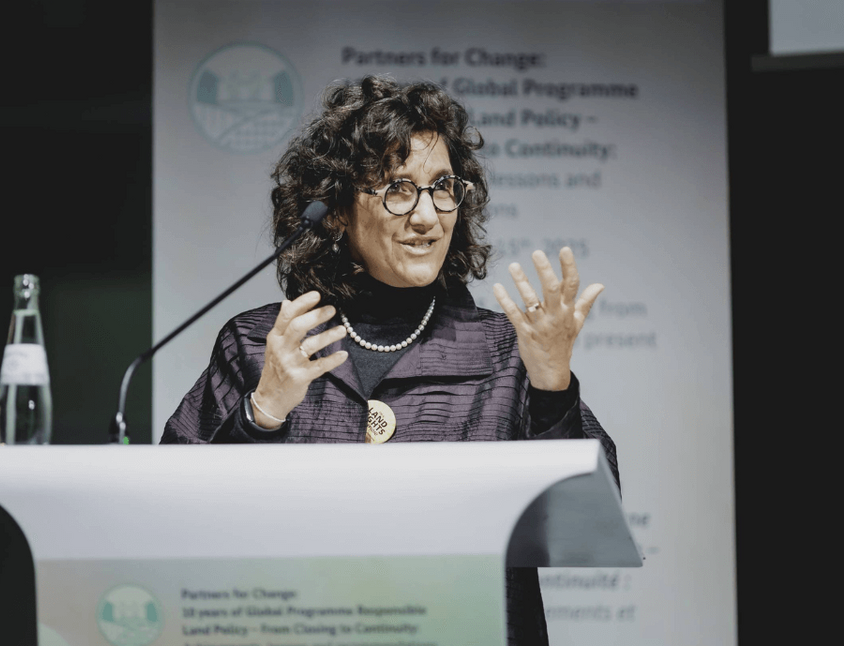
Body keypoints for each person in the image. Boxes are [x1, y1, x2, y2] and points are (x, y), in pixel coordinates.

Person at [162, 74, 617, 645]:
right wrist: (263, 413)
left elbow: (582, 527)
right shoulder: (262, 345)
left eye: (442, 187)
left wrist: (552, 384)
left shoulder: (504, 352)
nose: (427, 216)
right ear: (334, 213)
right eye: (398, 188)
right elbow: (179, 523)